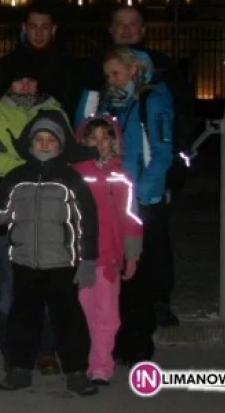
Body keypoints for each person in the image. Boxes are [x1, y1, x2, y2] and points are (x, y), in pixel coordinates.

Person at [0, 111, 99, 396]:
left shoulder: (71, 179)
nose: (44, 145)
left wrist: (88, 260)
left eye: (51, 140)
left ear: (60, 145)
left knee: (68, 319)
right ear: (30, 143)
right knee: (22, 319)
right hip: (24, 263)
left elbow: (87, 222)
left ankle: (77, 372)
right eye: (39, 139)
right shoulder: (16, 178)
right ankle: (19, 369)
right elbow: (1, 216)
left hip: (61, 263)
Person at [75, 47, 175, 363]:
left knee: (137, 274)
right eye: (107, 75)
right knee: (113, 275)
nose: (110, 80)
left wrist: (141, 194)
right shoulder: (110, 102)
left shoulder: (150, 102)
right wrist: (90, 93)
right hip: (111, 194)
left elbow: (161, 153)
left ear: (134, 71)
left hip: (139, 197)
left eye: (116, 73)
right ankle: (114, 344)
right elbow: (83, 131)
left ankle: (139, 344)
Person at [0, 57, 68, 372]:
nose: (25, 86)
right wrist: (28, 166)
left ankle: (46, 351)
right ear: (7, 83)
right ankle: (14, 354)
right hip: (6, 207)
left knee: (49, 284)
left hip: (49, 211)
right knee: (8, 289)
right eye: (18, 80)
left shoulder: (54, 111)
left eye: (30, 80)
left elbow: (66, 151)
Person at [91, 6, 197, 243]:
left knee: (150, 248)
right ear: (111, 29)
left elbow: (180, 123)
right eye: (121, 23)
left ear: (143, 29)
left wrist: (172, 170)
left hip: (145, 183)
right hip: (115, 183)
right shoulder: (99, 72)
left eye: (133, 24)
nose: (127, 30)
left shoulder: (162, 74)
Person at [73, 115, 143, 386]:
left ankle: (102, 363)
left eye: (106, 137)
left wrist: (132, 252)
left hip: (110, 257)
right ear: (83, 141)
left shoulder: (121, 176)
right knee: (84, 310)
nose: (100, 144)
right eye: (94, 138)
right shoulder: (76, 173)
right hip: (81, 257)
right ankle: (86, 360)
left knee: (109, 315)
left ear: (114, 141)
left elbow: (131, 217)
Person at [0, 2, 81, 116]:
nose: (39, 33)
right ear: (24, 28)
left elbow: (72, 108)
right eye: (33, 27)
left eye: (44, 27)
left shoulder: (68, 66)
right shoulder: (6, 65)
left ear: (53, 29)